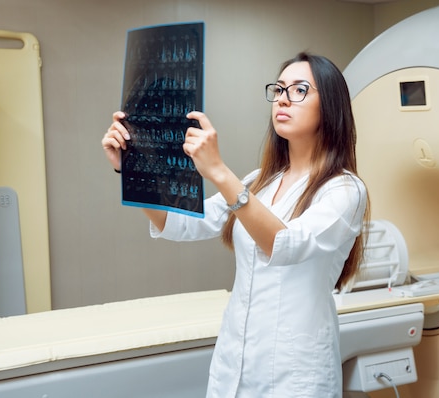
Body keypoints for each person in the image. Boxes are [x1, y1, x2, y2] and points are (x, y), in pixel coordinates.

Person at [102, 52, 370, 397]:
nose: (284, 99)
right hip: (236, 359)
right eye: (280, 89)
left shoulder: (345, 189)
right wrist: (131, 169)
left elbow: (285, 244)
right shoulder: (262, 180)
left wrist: (218, 172)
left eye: (300, 90)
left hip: (296, 370)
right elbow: (181, 223)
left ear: (330, 106)